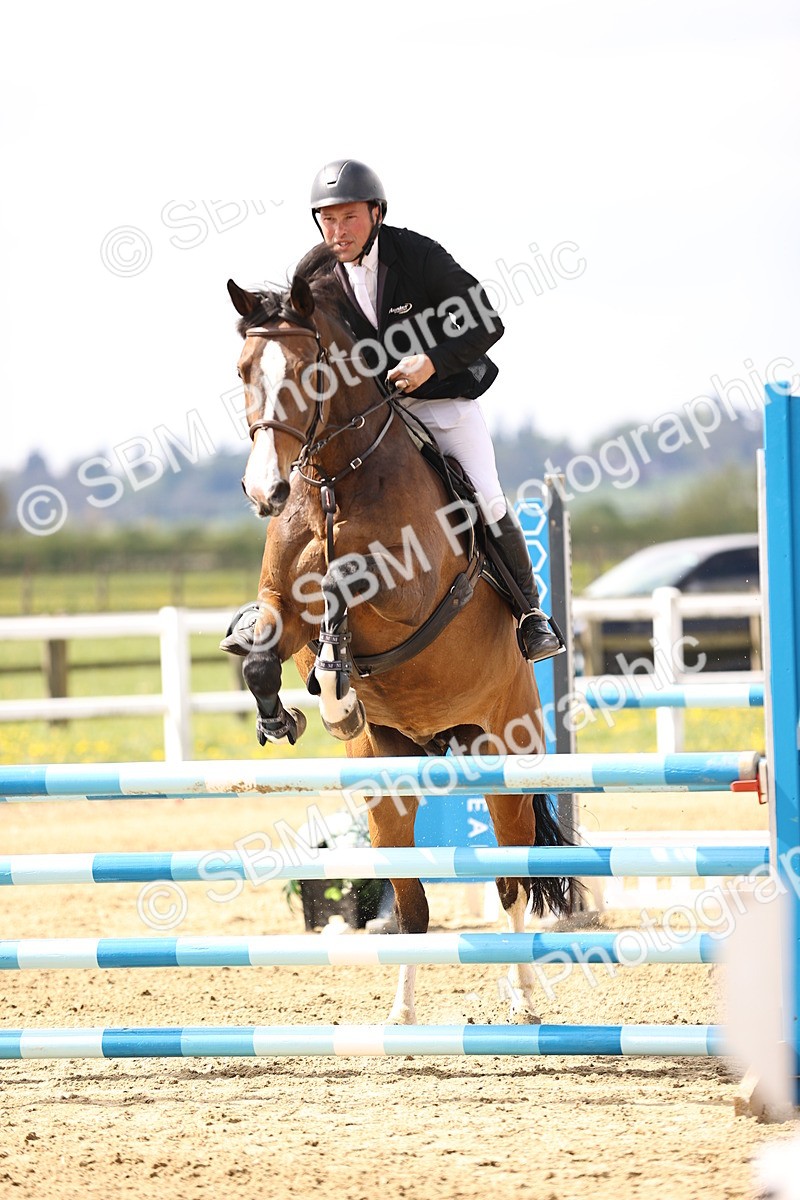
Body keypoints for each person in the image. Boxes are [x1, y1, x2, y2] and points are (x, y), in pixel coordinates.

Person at [222, 159, 561, 664]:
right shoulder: (314, 272)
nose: (338, 232)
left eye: (349, 218)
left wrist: (432, 362)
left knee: (487, 498)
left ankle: (530, 615)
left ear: (376, 214)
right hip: (370, 415)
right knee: (304, 489)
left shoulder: (417, 255)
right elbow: (292, 335)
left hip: (442, 402)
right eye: (328, 220)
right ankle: (272, 607)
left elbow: (486, 320)